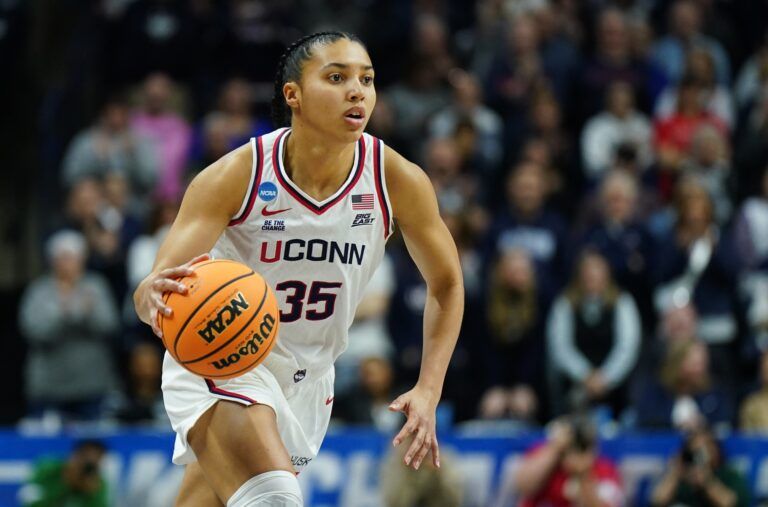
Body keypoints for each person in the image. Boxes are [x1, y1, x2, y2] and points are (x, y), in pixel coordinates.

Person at [132, 32, 464, 507]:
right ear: (294, 95)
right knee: (274, 500)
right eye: (337, 77)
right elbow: (158, 286)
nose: (357, 91)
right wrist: (148, 297)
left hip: (309, 379)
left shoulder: (396, 179)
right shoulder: (237, 175)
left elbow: (448, 284)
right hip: (226, 355)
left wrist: (429, 389)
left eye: (366, 80)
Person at [513, 415, 625, 507]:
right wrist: (555, 448)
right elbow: (524, 486)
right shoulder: (544, 453)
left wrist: (583, 475)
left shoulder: (605, 470)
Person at [651, 427, 749, 507]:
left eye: (704, 448)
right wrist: (675, 473)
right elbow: (658, 501)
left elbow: (729, 503)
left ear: (716, 450)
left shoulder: (729, 474)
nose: (698, 454)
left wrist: (707, 481)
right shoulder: (681, 475)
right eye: (694, 450)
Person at [18, 440, 109, 507]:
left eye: (96, 459)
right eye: (84, 457)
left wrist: (90, 494)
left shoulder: (97, 483)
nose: (88, 462)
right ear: (75, 455)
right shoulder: (49, 469)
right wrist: (65, 484)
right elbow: (29, 501)